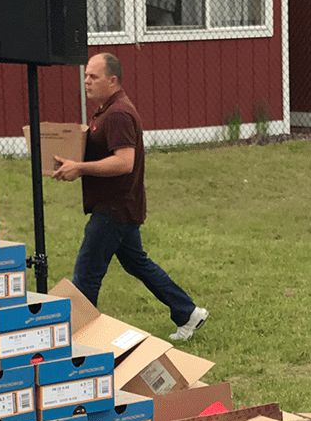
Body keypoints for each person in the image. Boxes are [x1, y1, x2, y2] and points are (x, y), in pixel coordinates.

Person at [54, 53, 209, 342]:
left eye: (94, 76)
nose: (86, 81)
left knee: (86, 275)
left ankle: (77, 339)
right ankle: (187, 312)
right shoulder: (106, 111)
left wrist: (81, 168)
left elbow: (124, 161)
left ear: (113, 81)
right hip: (119, 206)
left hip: (114, 209)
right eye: (86, 75)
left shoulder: (118, 114)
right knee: (137, 263)